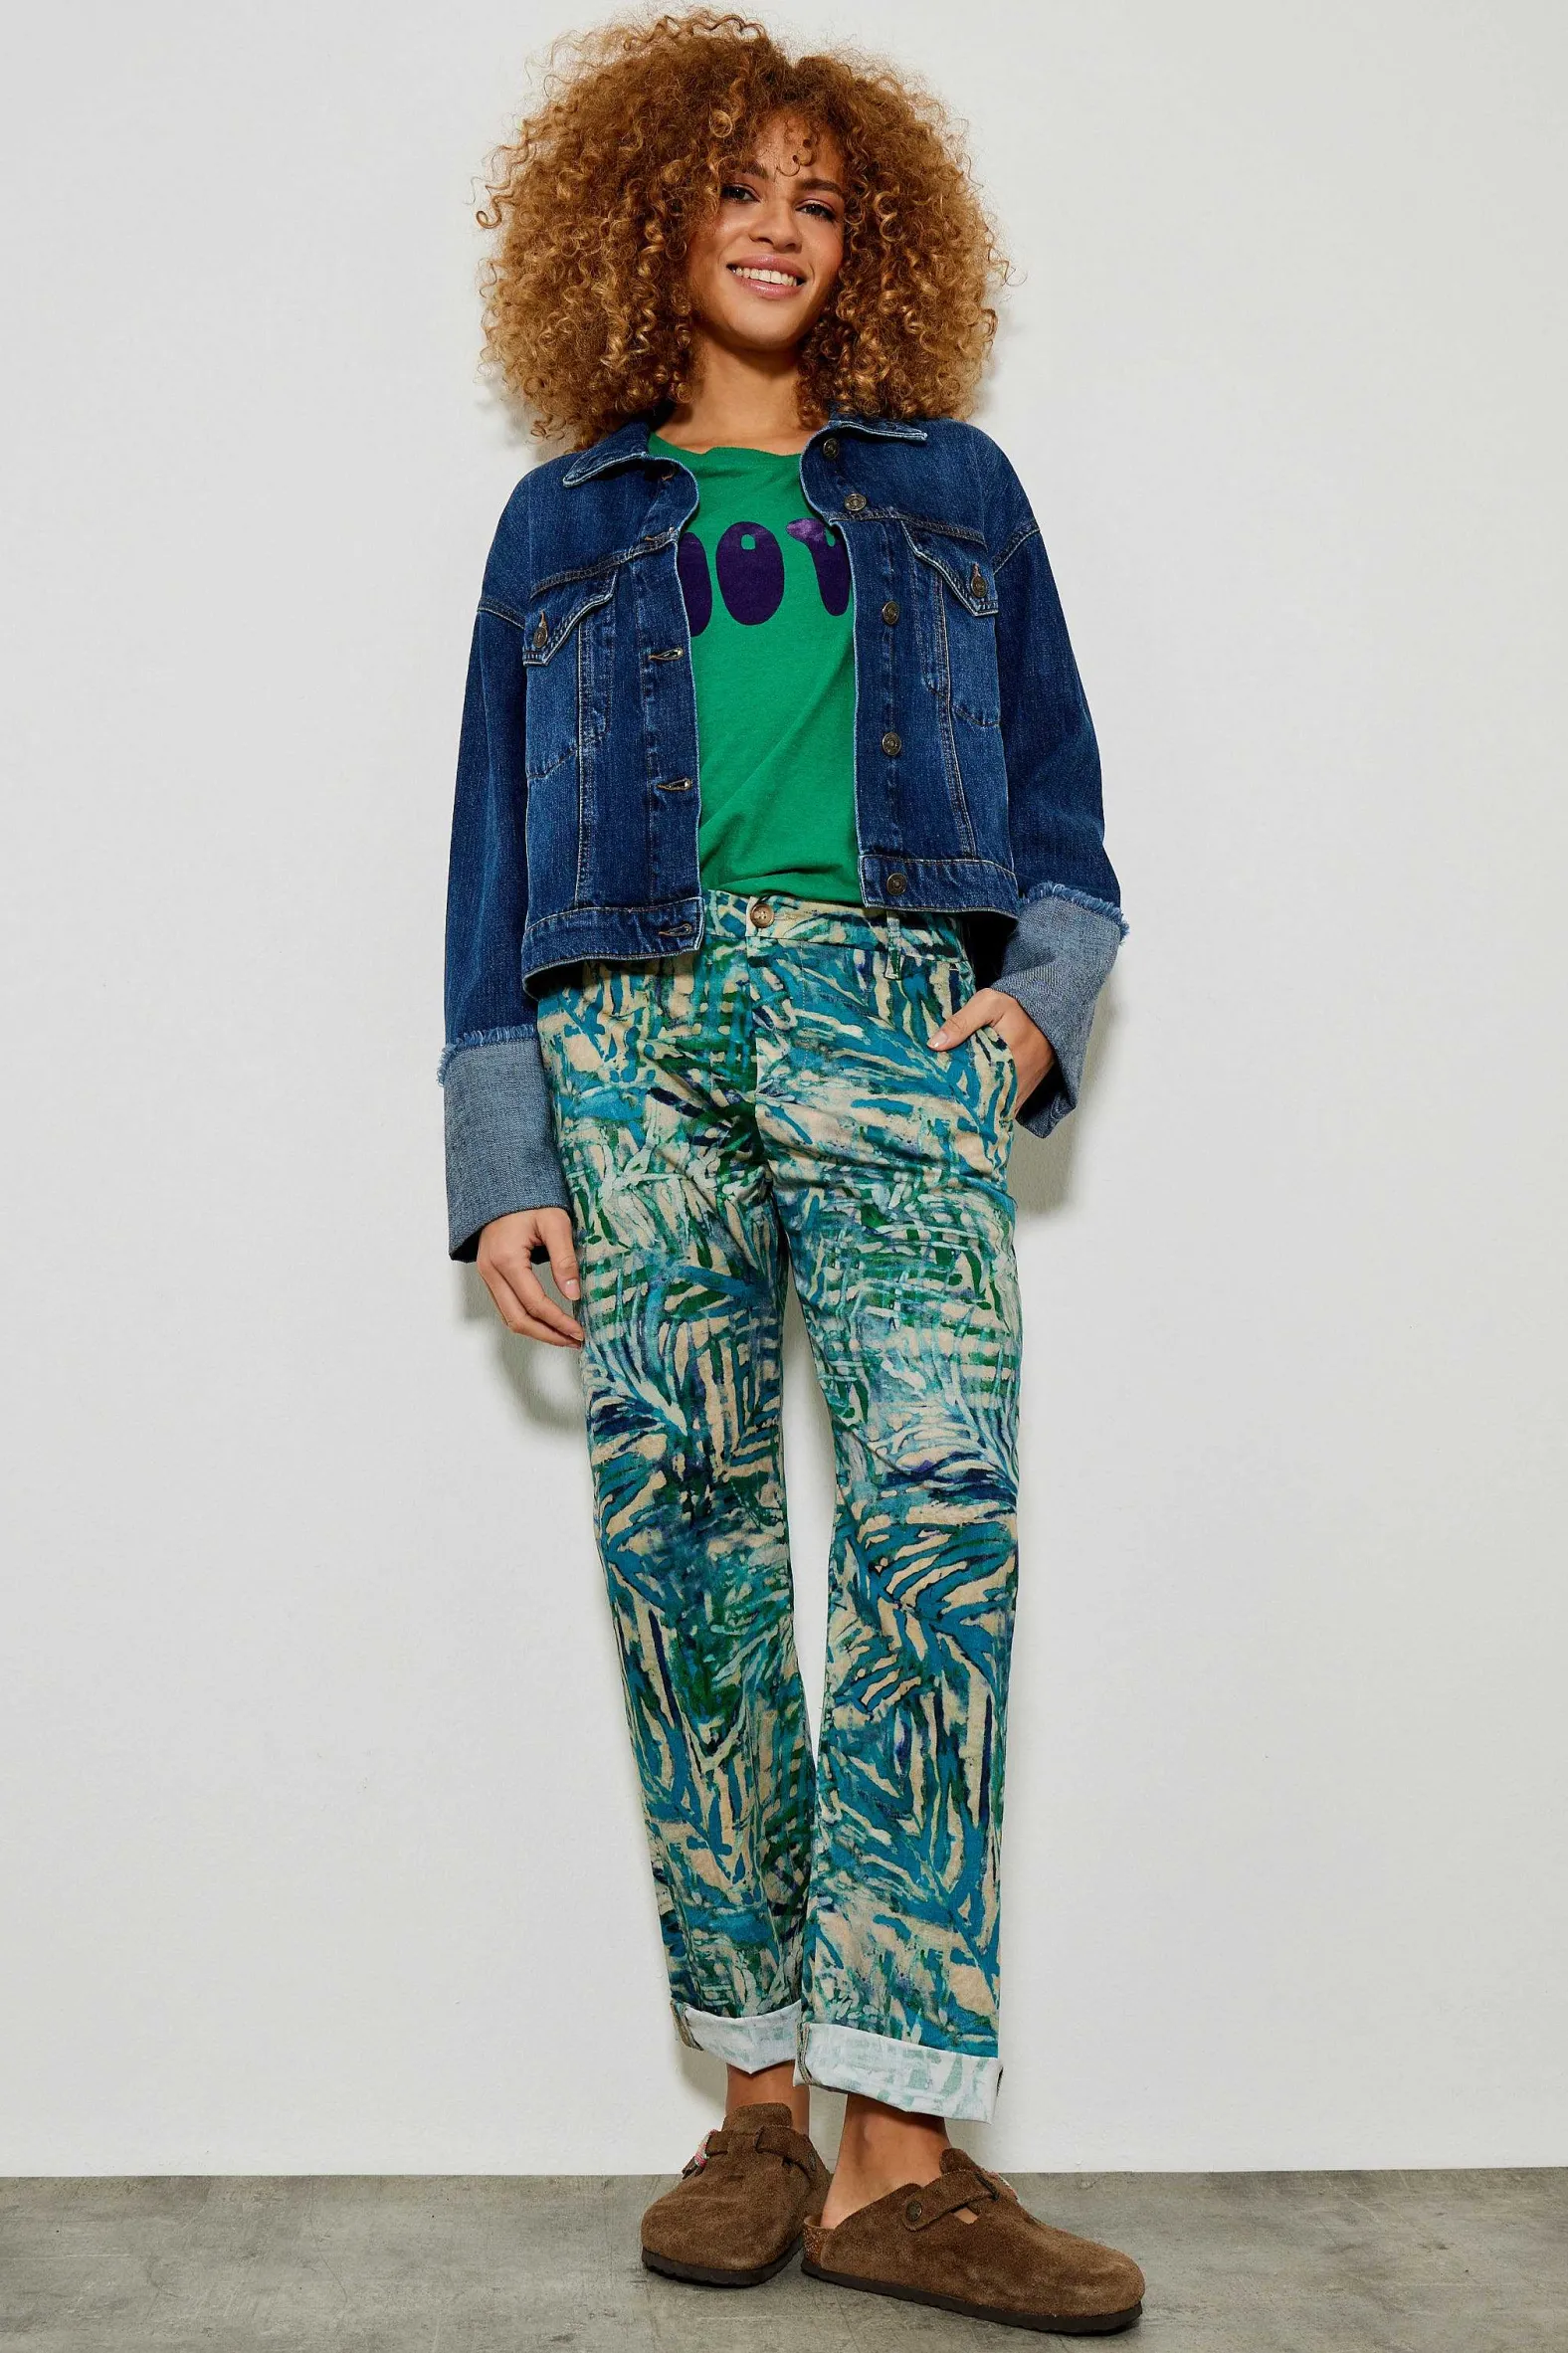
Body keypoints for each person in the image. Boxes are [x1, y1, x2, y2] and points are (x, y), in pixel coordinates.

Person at [440, 9, 1143, 2333]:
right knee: (689, 1546)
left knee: (937, 1520)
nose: (776, 227)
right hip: (627, 1037)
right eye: (733, 188)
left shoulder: (952, 489)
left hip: (880, 1014)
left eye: (818, 198)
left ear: (872, 242)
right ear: (644, 221)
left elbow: (1059, 808)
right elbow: (487, 861)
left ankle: (894, 2151)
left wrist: (1033, 995)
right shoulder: (561, 521)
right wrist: (503, 1148)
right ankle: (753, 2102)